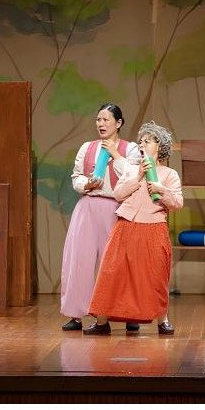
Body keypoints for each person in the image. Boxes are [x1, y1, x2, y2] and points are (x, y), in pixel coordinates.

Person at [84, 121, 183, 336]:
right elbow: (118, 194)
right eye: (141, 141)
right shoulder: (131, 169)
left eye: (148, 141)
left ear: (159, 146)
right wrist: (137, 176)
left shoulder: (169, 174)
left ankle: (163, 320)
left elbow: (177, 203)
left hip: (154, 228)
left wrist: (161, 189)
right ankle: (102, 321)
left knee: (156, 275)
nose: (142, 144)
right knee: (111, 272)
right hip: (126, 225)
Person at [60, 103, 140, 332]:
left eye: (106, 120)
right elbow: (76, 176)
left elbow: (132, 176)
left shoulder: (130, 149)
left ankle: (127, 313)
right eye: (98, 120)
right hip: (88, 206)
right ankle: (76, 314)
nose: (101, 124)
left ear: (119, 123)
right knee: (79, 260)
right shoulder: (88, 147)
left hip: (116, 207)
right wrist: (87, 184)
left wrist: (115, 154)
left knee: (118, 262)